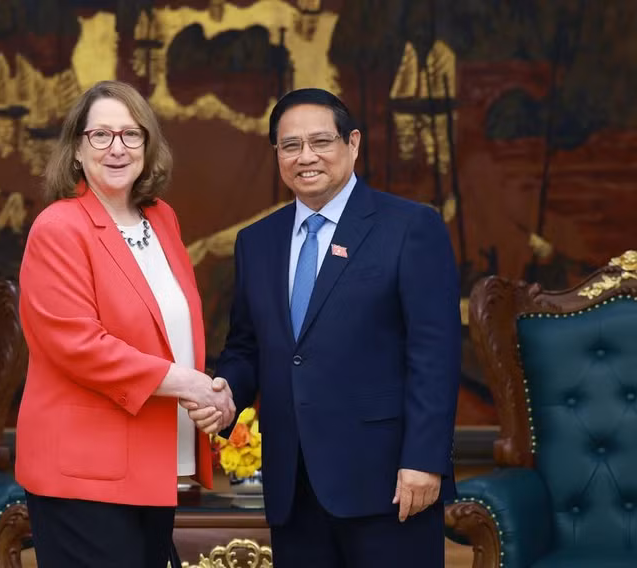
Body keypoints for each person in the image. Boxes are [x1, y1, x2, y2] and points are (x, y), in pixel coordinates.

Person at [190, 88, 460, 567]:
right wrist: (225, 392)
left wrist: (423, 459)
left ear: (352, 144)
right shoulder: (257, 241)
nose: (306, 157)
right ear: (277, 154)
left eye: (320, 141)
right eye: (290, 145)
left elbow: (434, 356)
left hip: (389, 484)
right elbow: (247, 347)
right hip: (293, 488)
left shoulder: (409, 226)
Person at [16, 80, 235, 568]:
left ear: (147, 144)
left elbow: (169, 331)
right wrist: (191, 384)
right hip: (83, 474)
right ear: (77, 149)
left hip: (150, 464)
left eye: (131, 134)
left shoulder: (161, 219)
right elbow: (78, 344)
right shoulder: (58, 227)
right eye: (101, 135)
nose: (117, 148)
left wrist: (209, 393)